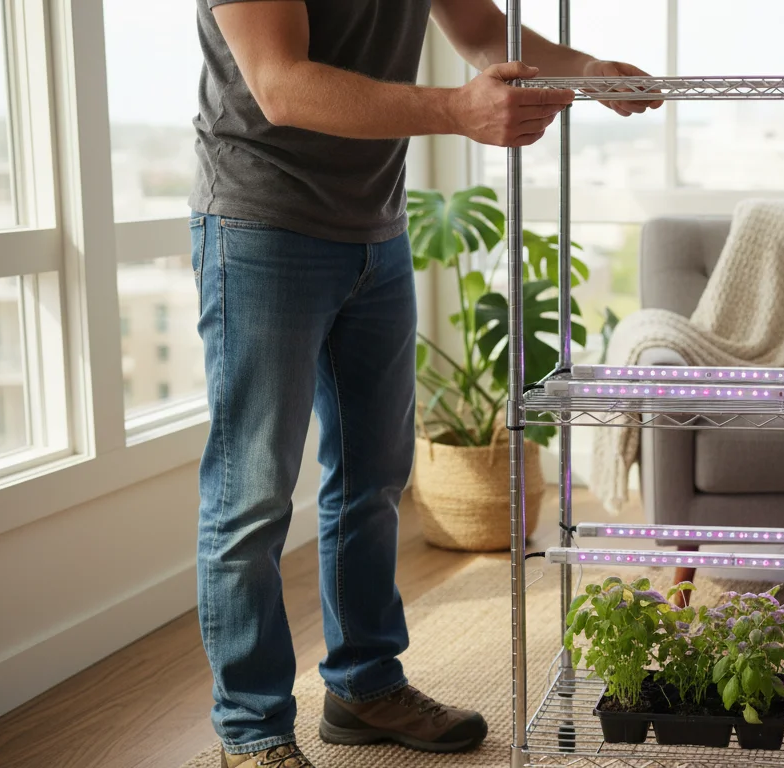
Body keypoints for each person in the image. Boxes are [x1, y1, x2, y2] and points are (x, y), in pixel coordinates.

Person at [188, 1, 659, 766]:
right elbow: (281, 84)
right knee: (251, 497)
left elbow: (476, 27)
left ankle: (364, 686)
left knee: (374, 483)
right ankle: (252, 733)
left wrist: (584, 72)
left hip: (374, 230)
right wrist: (457, 110)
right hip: (260, 225)